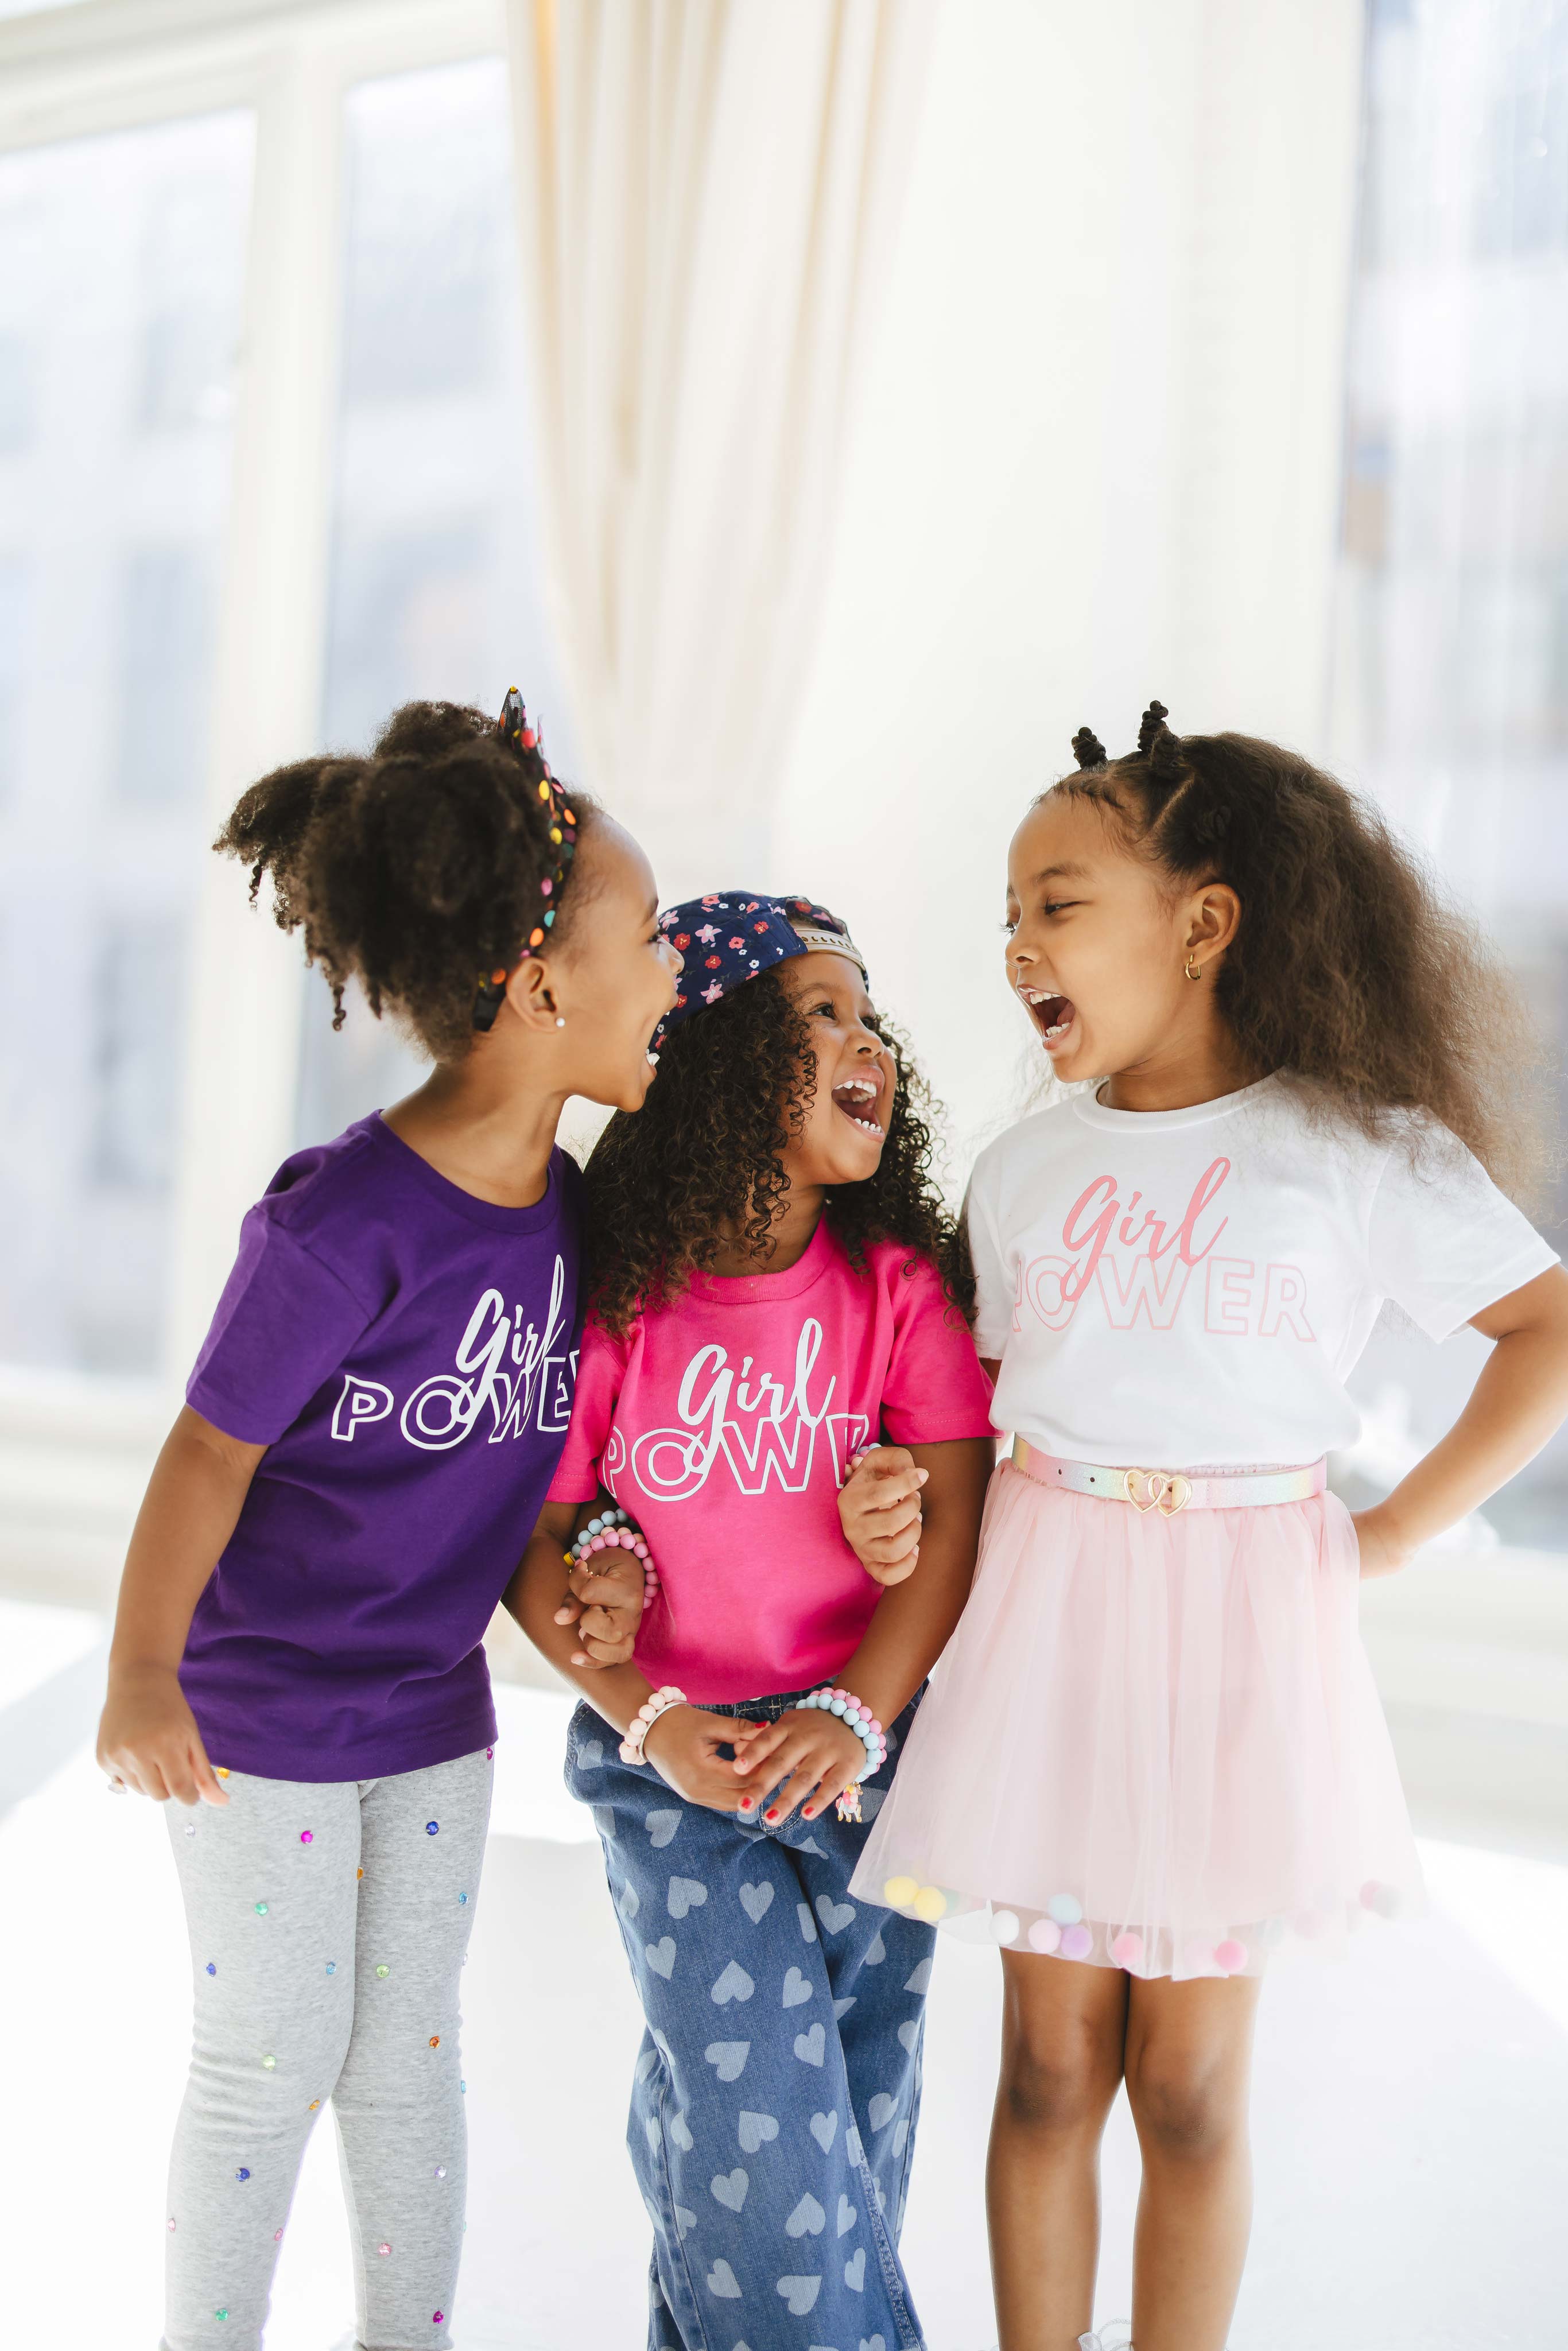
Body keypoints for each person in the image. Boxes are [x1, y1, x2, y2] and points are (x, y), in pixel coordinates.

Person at [849, 705, 1568, 2351]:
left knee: (1182, 2090)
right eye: (1008, 915)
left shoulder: (1349, 1149)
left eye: (1055, 901)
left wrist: (1386, 1538)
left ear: (1202, 919)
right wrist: (890, 1492)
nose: (1015, 942)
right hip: (1049, 1620)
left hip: (1246, 1635)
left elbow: (1540, 1329)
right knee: (1043, 2068)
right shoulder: (1022, 1172)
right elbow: (955, 1419)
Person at [95, 693, 680, 2351]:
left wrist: (588, 1599)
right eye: (646, 938)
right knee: (267, 2055)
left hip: (430, 1720)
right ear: (542, 980)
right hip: (258, 1718)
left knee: (404, 2051)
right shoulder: (339, 1224)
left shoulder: (570, 1217)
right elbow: (206, 1457)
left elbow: (502, 1494)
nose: (671, 979)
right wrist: (144, 1673)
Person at [508, 893, 995, 2351]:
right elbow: (536, 1534)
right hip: (676, 1777)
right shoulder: (614, 1305)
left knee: (839, 2142)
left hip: (875, 1772)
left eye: (868, 1014)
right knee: (768, 2162)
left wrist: (850, 1711)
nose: (869, 1042)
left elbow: (956, 1523)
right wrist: (645, 1714)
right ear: (715, 1064)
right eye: (819, 1017)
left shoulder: (897, 1291)